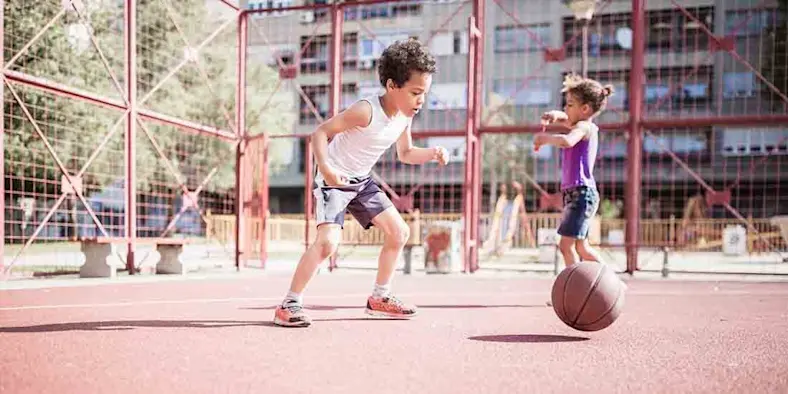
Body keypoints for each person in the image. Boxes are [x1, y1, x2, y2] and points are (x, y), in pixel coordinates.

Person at [274, 39, 449, 328]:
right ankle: (289, 303)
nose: (421, 100)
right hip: (334, 180)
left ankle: (379, 298)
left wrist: (432, 153)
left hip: (362, 182)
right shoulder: (366, 111)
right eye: (416, 93)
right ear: (392, 86)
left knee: (399, 232)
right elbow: (319, 133)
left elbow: (405, 154)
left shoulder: (404, 118)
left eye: (425, 94)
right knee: (328, 243)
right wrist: (327, 170)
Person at [534, 74, 616, 272]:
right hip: (577, 194)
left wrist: (545, 139)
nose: (565, 109)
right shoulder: (582, 124)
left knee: (566, 246)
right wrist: (556, 115)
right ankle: (609, 280)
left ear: (585, 109)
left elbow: (567, 141)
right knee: (582, 247)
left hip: (581, 195)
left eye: (569, 105)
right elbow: (567, 121)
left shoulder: (583, 127)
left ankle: (574, 286)